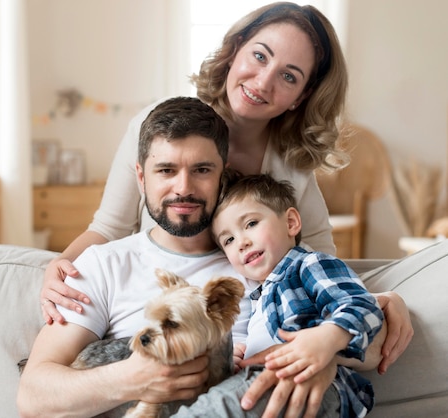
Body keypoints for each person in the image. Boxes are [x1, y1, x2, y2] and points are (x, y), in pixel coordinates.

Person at [38, 2, 413, 377]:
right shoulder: (159, 127)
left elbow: (320, 263)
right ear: (234, 49)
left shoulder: (292, 166)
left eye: (289, 76)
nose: (263, 82)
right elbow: (108, 227)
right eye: (260, 56)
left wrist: (374, 300)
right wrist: (58, 266)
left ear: (302, 94)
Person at [19, 97, 348, 418]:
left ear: (223, 175)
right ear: (141, 177)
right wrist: (134, 379)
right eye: (166, 170)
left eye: (202, 170)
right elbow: (33, 397)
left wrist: (326, 357)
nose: (183, 187)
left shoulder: (262, 260)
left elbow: (355, 327)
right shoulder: (103, 265)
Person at [197, 172, 385, 417]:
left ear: (291, 223)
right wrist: (239, 356)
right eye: (229, 239)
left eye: (251, 224)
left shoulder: (308, 265)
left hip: (318, 384)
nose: (241, 242)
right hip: (263, 379)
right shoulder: (259, 296)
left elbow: (362, 305)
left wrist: (328, 336)